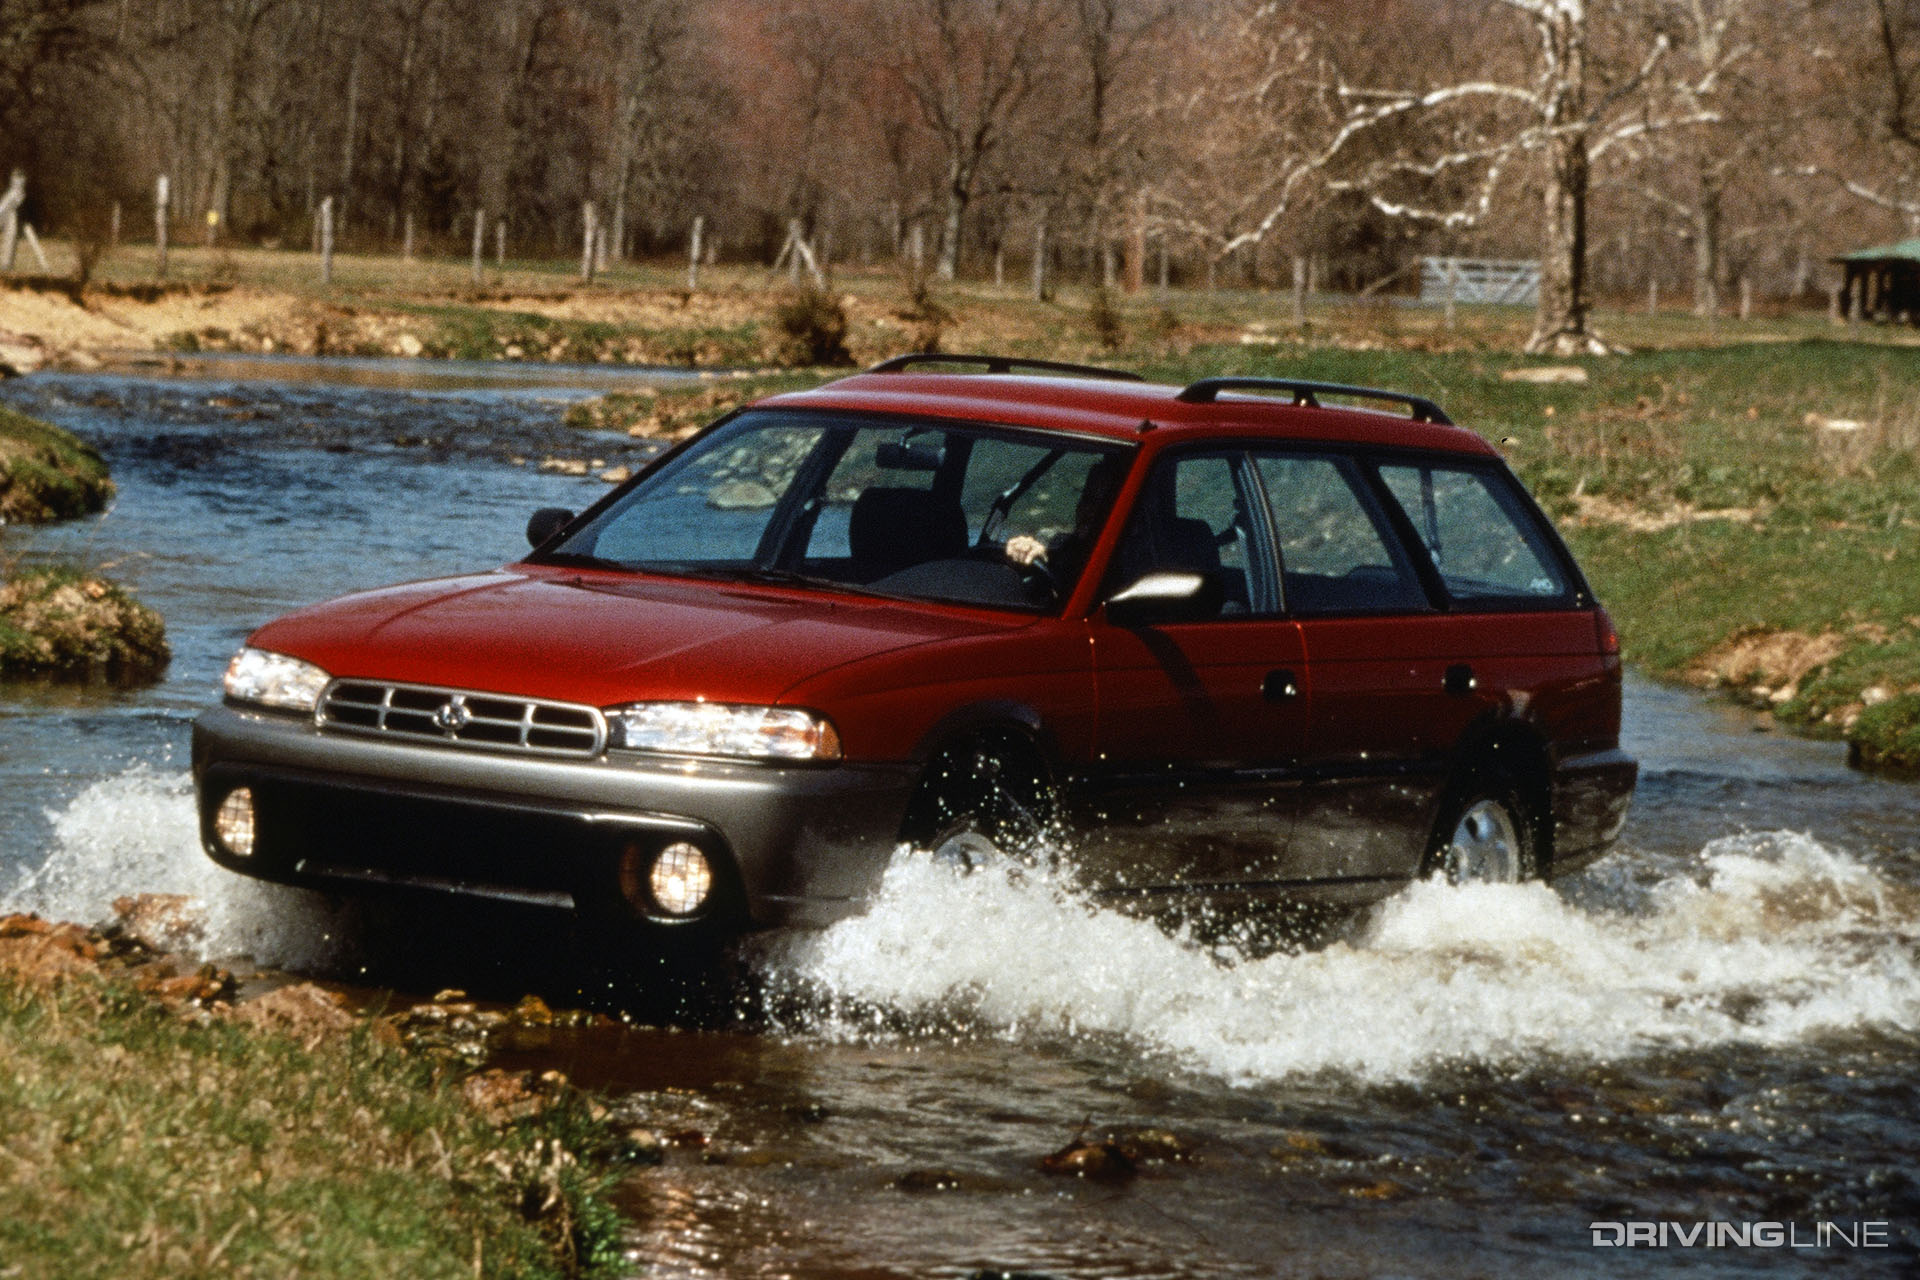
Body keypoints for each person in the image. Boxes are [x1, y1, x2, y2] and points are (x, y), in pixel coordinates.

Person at [1003, 456, 1129, 591]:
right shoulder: (1067, 546)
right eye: (1088, 499)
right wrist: (1027, 554)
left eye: (1103, 505)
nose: (1090, 511)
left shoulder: (1126, 566)